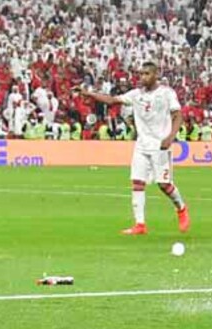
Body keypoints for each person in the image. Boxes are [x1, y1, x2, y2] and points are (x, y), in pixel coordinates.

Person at [78, 62, 189, 235]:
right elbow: (112, 100)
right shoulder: (136, 94)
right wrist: (89, 94)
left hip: (160, 146)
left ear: (155, 75)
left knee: (164, 184)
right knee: (137, 182)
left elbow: (178, 116)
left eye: (146, 74)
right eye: (141, 74)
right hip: (142, 146)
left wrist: (170, 137)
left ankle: (181, 209)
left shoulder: (166, 93)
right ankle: (140, 224)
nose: (142, 77)